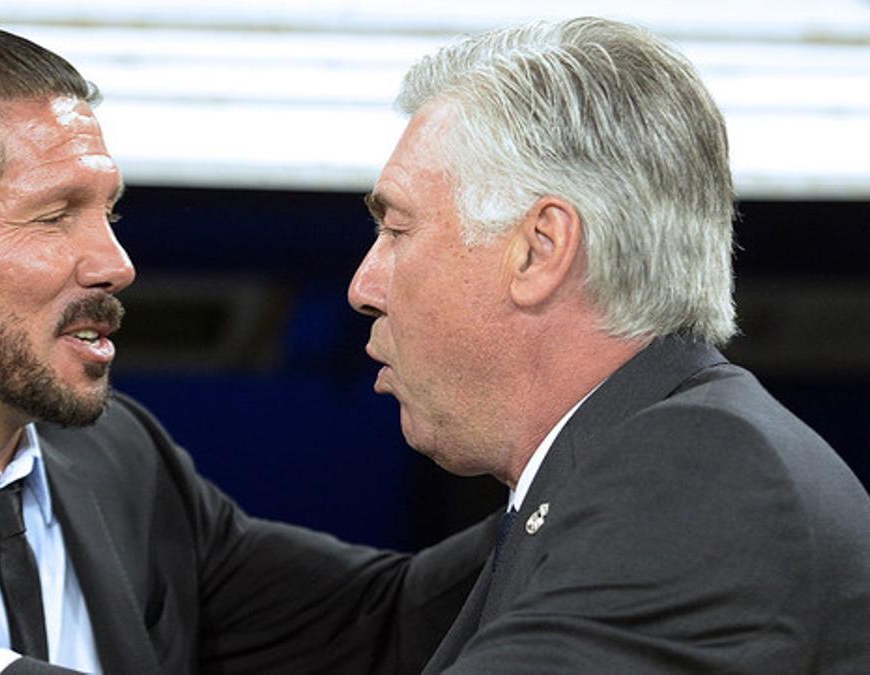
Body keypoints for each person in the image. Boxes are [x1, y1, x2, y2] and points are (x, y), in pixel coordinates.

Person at [0, 20, 495, 675]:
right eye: (54, 213)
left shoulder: (118, 459)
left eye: (110, 210)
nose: (115, 262)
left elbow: (385, 620)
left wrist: (582, 453)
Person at [345, 16, 870, 672]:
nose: (364, 285)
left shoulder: (698, 477)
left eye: (397, 229)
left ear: (538, 249)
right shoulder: (612, 473)